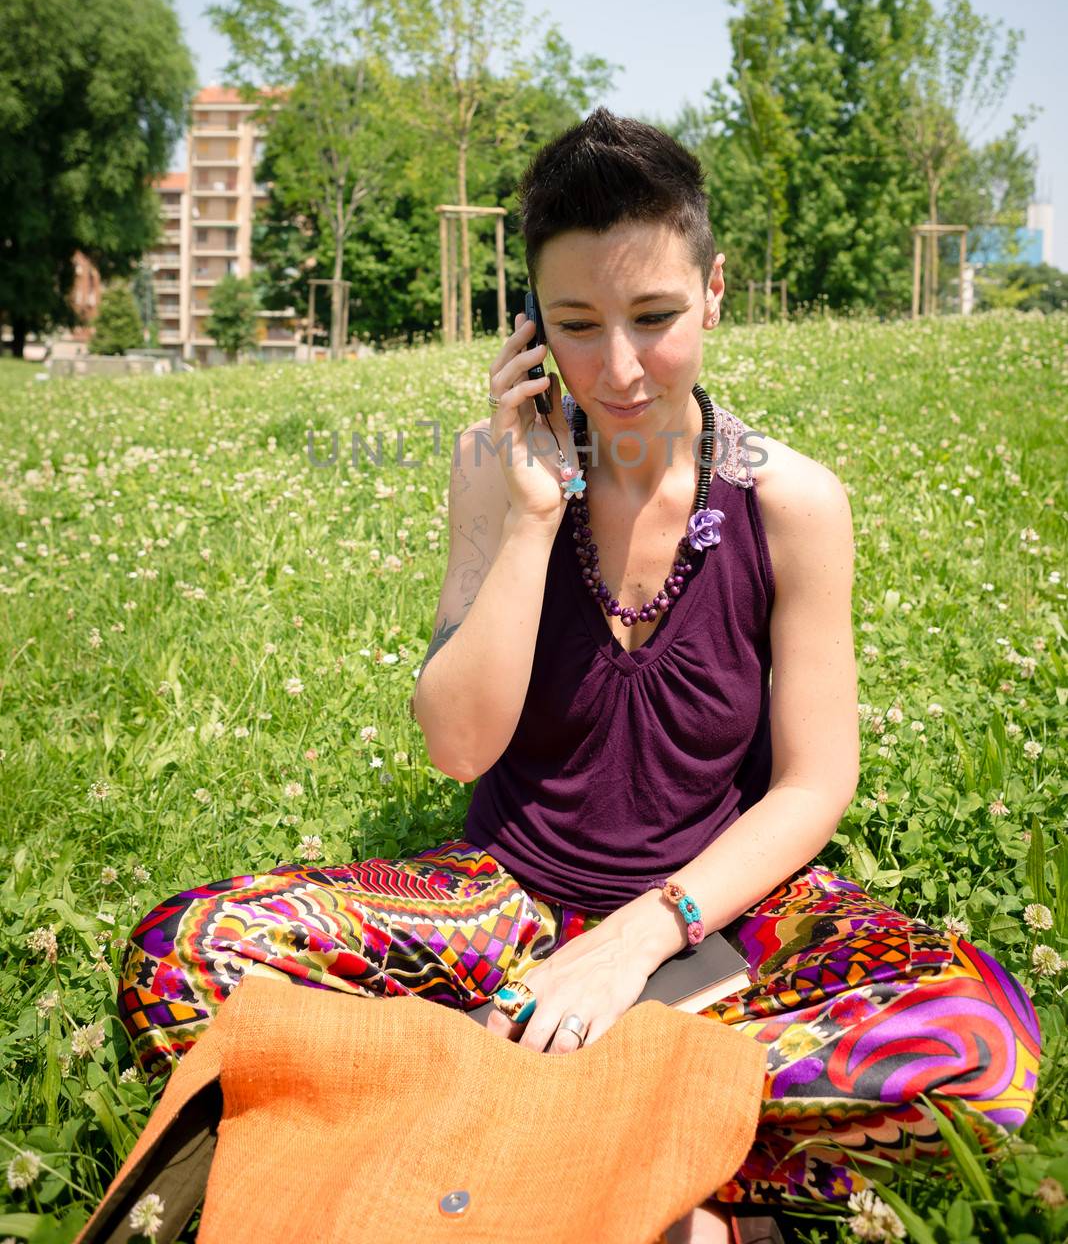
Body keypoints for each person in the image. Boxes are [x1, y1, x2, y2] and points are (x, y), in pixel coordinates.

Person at [117, 109, 1041, 1244]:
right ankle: (658, 1166)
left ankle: (475, 1143)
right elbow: (458, 747)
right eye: (575, 325)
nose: (617, 369)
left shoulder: (793, 502)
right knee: (185, 955)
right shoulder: (490, 469)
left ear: (713, 289)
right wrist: (528, 521)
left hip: (711, 924)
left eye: (654, 318)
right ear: (529, 325)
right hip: (498, 906)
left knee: (977, 1031)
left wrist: (638, 937)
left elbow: (815, 781)